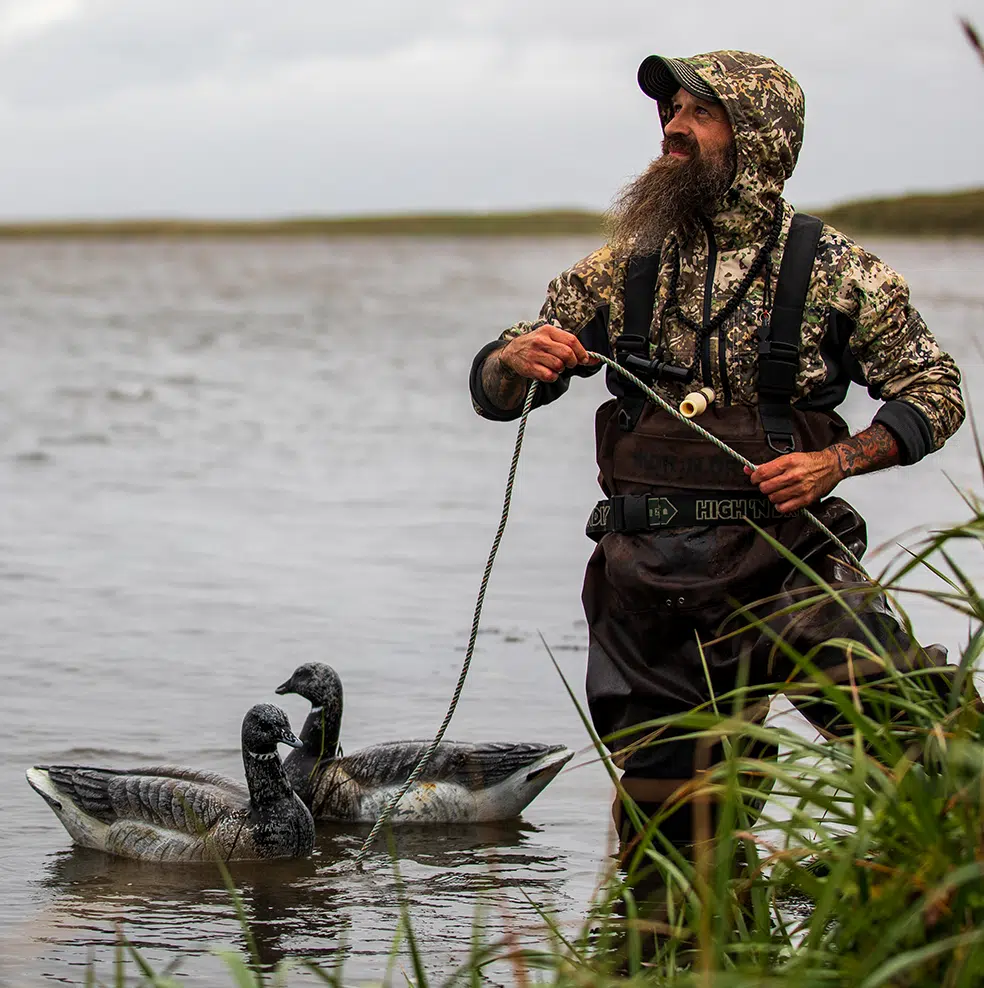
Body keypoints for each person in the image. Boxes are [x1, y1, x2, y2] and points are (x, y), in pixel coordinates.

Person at [468, 51, 966, 845]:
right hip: (650, 581)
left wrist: (838, 461)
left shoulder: (841, 271)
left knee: (923, 744)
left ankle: (929, 906)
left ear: (760, 135)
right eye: (669, 111)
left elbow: (936, 394)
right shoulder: (616, 267)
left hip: (789, 563)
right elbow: (501, 390)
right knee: (671, 851)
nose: (672, 127)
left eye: (699, 113)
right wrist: (510, 362)